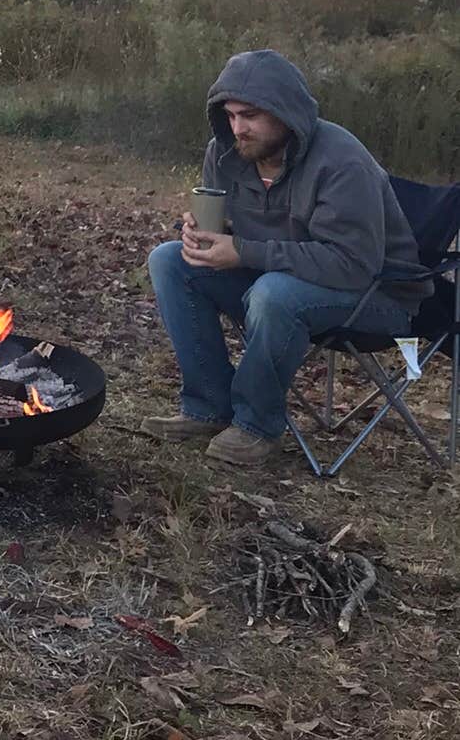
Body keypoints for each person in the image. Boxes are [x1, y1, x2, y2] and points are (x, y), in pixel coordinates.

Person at [145, 49, 425, 467]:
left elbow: (353, 265)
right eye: (230, 115)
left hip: (377, 295)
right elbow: (239, 232)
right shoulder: (226, 153)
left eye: (250, 116)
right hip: (276, 278)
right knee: (169, 261)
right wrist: (206, 235)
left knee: (274, 293)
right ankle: (207, 408)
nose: (238, 128)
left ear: (286, 113)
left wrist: (243, 251)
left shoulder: (341, 160)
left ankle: (257, 426)